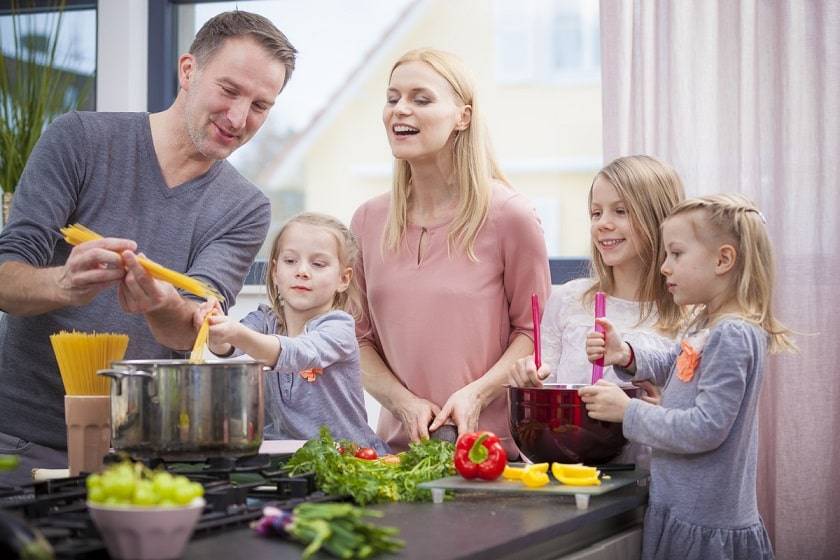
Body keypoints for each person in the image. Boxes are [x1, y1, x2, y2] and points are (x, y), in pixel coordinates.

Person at [0, 11, 297, 485]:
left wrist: (161, 303)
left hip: (143, 457)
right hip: (20, 441)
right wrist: (64, 284)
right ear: (187, 71)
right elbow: (5, 276)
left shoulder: (244, 207)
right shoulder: (79, 140)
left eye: (261, 105)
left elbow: (195, 329)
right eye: (229, 90)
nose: (240, 118)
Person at [351, 48, 550, 457]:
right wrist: (402, 403)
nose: (399, 110)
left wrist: (477, 395)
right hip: (397, 455)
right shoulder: (367, 221)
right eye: (392, 99)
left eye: (421, 99)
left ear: (463, 116)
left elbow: (534, 332)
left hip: (492, 452)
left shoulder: (510, 215)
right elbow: (356, 338)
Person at [581, 194, 796, 559]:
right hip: (681, 509)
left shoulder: (733, 334)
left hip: (704, 526)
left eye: (676, 255)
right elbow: (677, 361)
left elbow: (705, 428)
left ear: (723, 260)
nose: (664, 267)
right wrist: (626, 354)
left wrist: (628, 412)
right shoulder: (706, 324)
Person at [509, 155, 686, 467]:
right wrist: (528, 385)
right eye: (595, 212)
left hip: (648, 490)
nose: (603, 223)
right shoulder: (569, 300)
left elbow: (695, 425)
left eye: (620, 211)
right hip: (572, 480)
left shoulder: (687, 316)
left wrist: (660, 411)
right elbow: (546, 390)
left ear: (660, 219)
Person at [194, 213, 387, 454]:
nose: (302, 271)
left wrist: (236, 333)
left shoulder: (339, 327)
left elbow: (299, 353)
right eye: (290, 261)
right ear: (275, 271)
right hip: (288, 458)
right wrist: (216, 329)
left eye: (318, 264)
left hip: (350, 458)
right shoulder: (265, 320)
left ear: (343, 279)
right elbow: (228, 349)